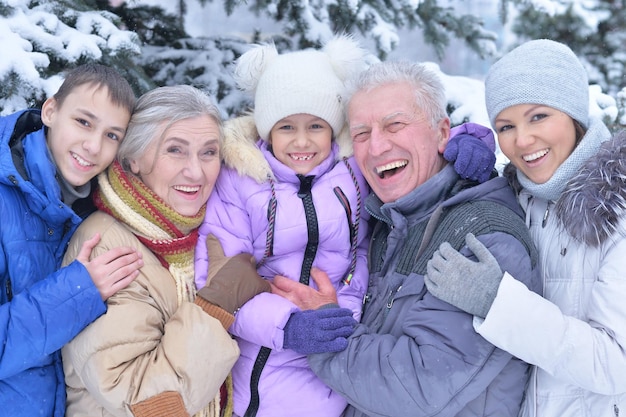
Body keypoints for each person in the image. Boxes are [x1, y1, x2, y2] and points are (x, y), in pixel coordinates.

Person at [271, 59, 542, 417]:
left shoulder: (482, 236)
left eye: (394, 125)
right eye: (362, 134)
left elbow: (419, 386)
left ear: (443, 132)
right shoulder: (388, 222)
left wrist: (326, 335)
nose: (377, 146)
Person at [424, 39, 626, 416]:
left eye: (538, 117)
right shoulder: (519, 199)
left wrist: (498, 304)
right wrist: (464, 170)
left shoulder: (616, 210)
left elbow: (615, 363)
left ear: (574, 115)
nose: (522, 140)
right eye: (505, 126)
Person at [60, 85, 270, 417]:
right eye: (175, 150)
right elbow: (146, 403)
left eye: (209, 152)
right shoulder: (106, 244)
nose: (196, 171)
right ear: (135, 158)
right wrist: (215, 308)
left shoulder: (211, 233)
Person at [194, 35, 371, 417]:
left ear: (334, 129)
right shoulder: (240, 181)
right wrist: (286, 327)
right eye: (286, 127)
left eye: (316, 126)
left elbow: (408, 143)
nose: (302, 141)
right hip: (257, 369)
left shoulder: (354, 175)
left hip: (330, 368)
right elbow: (218, 280)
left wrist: (342, 315)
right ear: (266, 129)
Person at [0, 63, 144, 417]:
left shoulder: (96, 209)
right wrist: (77, 291)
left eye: (112, 135)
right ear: (50, 111)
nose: (93, 146)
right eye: (84, 122)